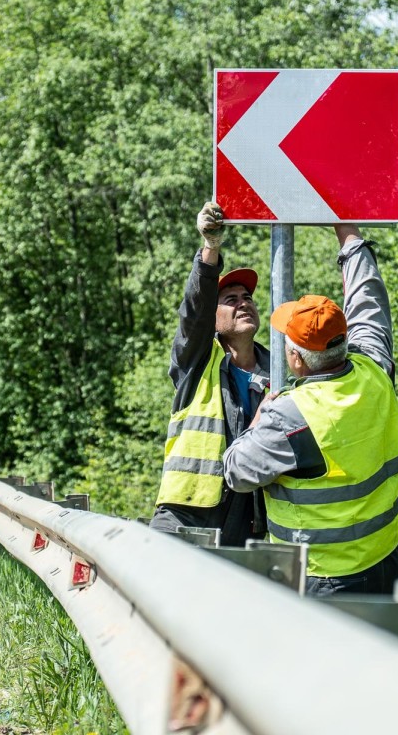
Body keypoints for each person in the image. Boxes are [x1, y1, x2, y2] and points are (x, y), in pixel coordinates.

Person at [222, 222, 398, 596]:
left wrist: (257, 422)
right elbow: (368, 299)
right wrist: (347, 231)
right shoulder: (374, 368)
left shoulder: (289, 416)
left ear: (296, 361)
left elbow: (236, 472)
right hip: (388, 558)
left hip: (324, 578)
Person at [149, 201, 268, 547]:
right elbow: (194, 311)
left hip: (247, 521)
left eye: (247, 297)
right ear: (214, 320)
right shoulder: (197, 360)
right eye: (230, 299)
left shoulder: (277, 371)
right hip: (185, 516)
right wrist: (210, 249)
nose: (243, 302)